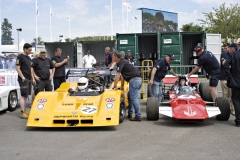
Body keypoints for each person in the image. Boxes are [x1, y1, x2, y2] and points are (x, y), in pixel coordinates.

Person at [112, 51, 142, 121]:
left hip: (134, 80)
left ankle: (138, 116)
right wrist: (122, 86)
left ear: (117, 57)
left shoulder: (121, 62)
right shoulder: (123, 62)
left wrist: (115, 86)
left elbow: (117, 75)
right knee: (130, 96)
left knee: (134, 98)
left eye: (113, 56)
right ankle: (130, 114)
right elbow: (123, 76)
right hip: (137, 79)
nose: (112, 58)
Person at [15, 43, 36, 119]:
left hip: (29, 78)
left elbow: (31, 69)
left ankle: (25, 110)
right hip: (23, 79)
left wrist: (33, 78)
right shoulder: (20, 57)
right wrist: (22, 77)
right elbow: (17, 68)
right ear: (25, 49)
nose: (31, 51)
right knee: (23, 96)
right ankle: (22, 112)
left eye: (31, 50)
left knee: (26, 95)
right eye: (29, 50)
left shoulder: (29, 58)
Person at [224, 46, 240, 127]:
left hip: (236, 81)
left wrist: (229, 76)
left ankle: (238, 120)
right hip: (236, 81)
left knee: (236, 100)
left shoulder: (234, 55)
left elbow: (226, 65)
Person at [220, 43, 234, 115]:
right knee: (225, 95)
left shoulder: (233, 55)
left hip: (231, 78)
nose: (225, 49)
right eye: (224, 48)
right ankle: (226, 110)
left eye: (226, 48)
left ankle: (232, 109)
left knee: (231, 95)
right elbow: (224, 64)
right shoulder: (223, 55)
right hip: (223, 77)